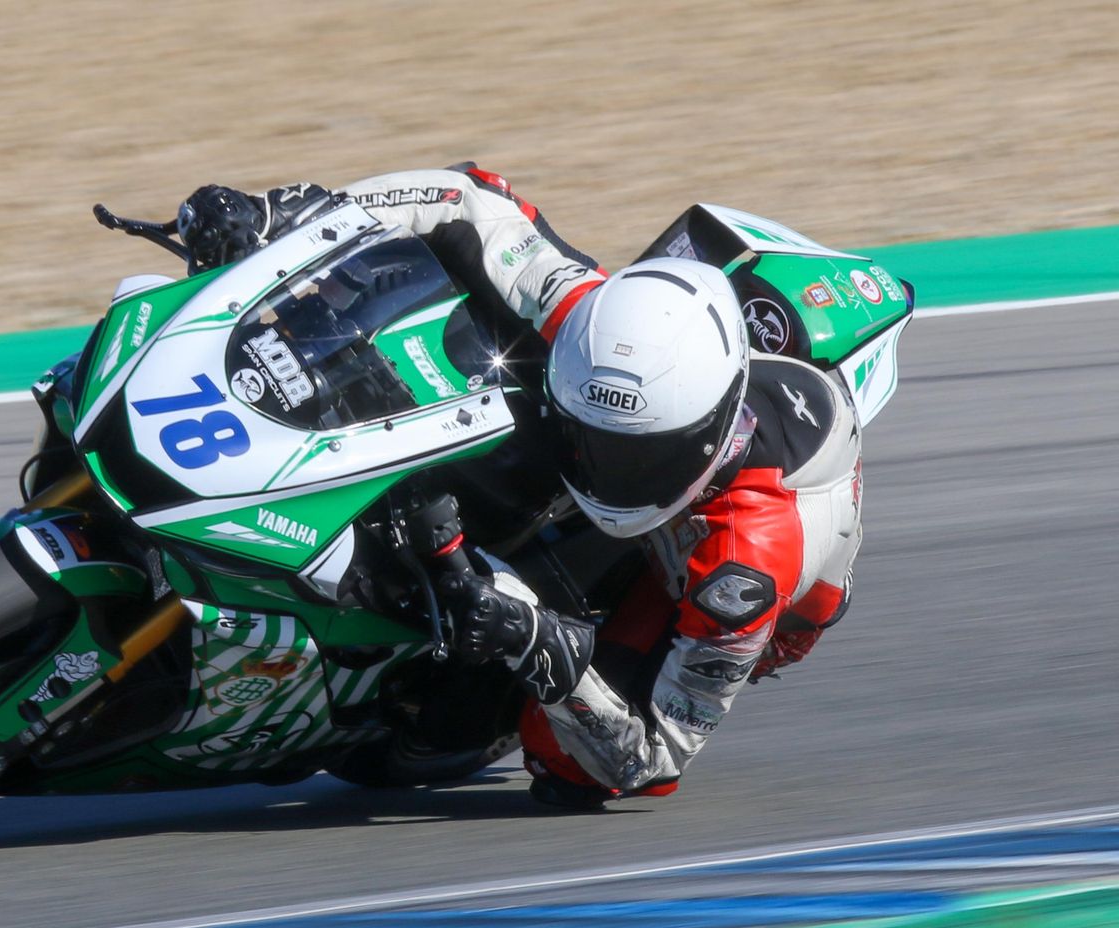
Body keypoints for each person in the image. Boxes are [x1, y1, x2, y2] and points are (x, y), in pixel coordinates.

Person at [174, 165, 863, 809]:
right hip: (661, 448)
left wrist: (536, 642)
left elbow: (653, 759)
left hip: (686, 571)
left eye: (631, 456)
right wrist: (292, 215)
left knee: (565, 767)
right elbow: (469, 197)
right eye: (592, 440)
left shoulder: (743, 572)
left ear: (705, 437)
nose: (602, 469)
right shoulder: (588, 320)